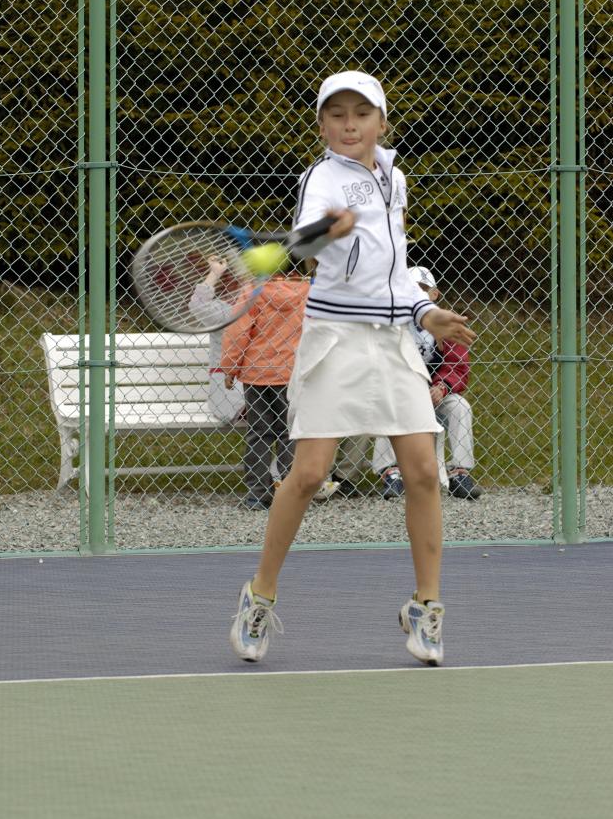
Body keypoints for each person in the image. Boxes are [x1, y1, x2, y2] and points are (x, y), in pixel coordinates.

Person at [229, 69, 476, 667]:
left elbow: (391, 268)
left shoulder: (394, 176)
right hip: (335, 338)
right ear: (322, 125)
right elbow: (304, 243)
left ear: (381, 123)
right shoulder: (320, 178)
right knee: (309, 474)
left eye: (360, 114)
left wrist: (426, 311)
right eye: (336, 114)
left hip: (393, 338)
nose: (348, 124)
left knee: (421, 470)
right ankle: (259, 596)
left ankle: (426, 605)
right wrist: (323, 229)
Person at [375, 265, 482, 501]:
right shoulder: (392, 322)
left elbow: (457, 364)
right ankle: (391, 474)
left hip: (435, 392)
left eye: (424, 288)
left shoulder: (442, 323)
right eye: (412, 288)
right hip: (401, 392)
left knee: (459, 406)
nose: (418, 293)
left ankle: (459, 473)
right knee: (387, 403)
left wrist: (442, 386)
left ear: (435, 294)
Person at [221, 268, 309, 510]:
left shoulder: (253, 291)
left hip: (257, 372)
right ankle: (292, 492)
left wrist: (230, 367)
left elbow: (237, 331)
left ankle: (258, 493)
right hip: (291, 372)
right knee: (289, 433)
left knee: (258, 433)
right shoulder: (308, 290)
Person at [188, 256, 245, 423]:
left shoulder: (265, 303)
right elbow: (197, 305)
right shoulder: (223, 311)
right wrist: (214, 274)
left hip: (268, 387)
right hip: (232, 398)